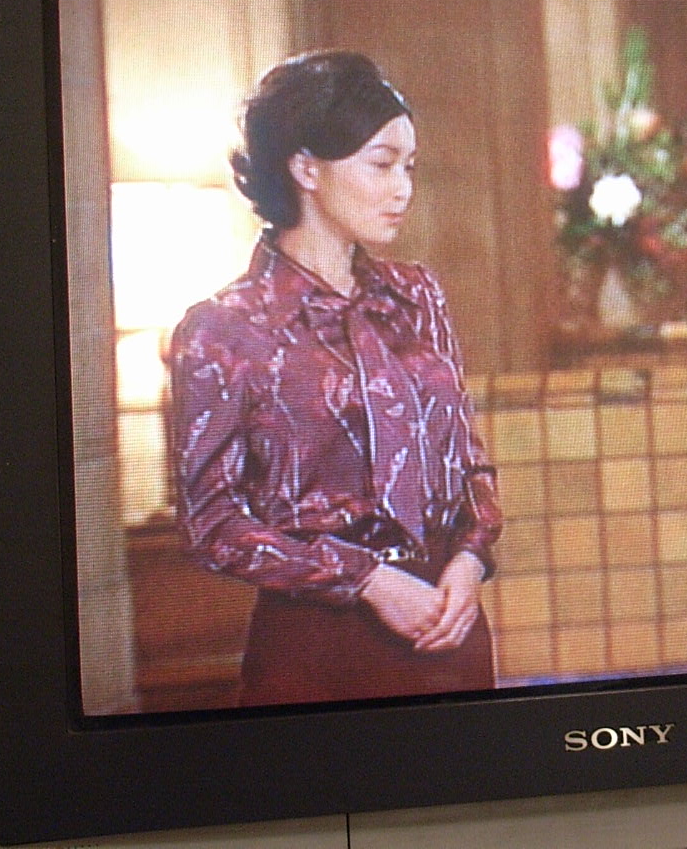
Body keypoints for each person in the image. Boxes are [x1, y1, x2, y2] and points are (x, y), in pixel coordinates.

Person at [169, 51, 500, 706]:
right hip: (319, 647)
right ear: (306, 167)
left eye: (409, 167)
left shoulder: (417, 297)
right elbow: (212, 523)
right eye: (382, 164)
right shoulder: (223, 329)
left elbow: (468, 463)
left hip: (446, 626)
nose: (402, 189)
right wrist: (368, 580)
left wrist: (470, 558)